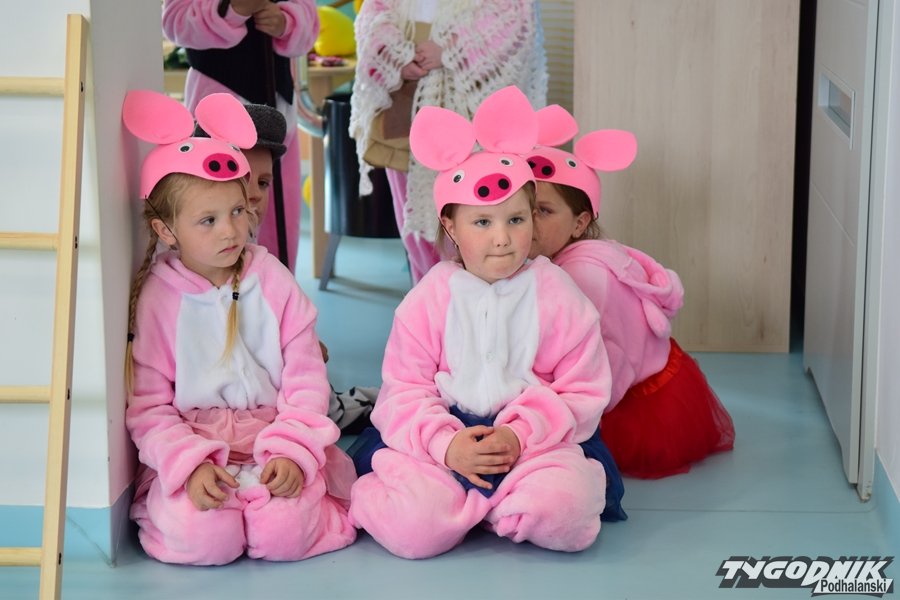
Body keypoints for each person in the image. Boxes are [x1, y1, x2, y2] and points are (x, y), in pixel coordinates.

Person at [348, 87, 624, 560]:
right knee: (413, 530)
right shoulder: (427, 300)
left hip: (535, 442)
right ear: (450, 226)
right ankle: (462, 504)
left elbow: (581, 389)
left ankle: (483, 508)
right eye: (482, 223)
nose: (503, 239)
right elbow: (405, 389)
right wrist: (446, 444)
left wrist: (519, 435)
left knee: (567, 514)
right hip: (443, 440)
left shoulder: (558, 294)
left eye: (516, 220)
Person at [121, 90, 356, 565]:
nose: (230, 231)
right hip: (197, 446)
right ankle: (192, 508)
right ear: (166, 231)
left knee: (283, 536)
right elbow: (149, 406)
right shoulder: (159, 299)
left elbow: (306, 379)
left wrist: (291, 451)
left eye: (236, 211)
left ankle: (295, 504)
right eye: (207, 220)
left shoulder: (272, 279)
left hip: (275, 436)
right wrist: (189, 466)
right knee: (207, 540)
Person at [526, 105, 736, 479]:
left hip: (637, 401)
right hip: (639, 376)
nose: (530, 222)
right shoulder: (567, 259)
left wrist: (568, 411)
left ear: (580, 223)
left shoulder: (583, 276)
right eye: (525, 209)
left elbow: (607, 360)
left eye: (544, 211)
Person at [350, 0, 548, 284]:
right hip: (405, 99)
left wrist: (453, 48)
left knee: (475, 215)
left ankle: (472, 299)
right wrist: (395, 54)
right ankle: (429, 296)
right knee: (413, 222)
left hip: (471, 105)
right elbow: (374, 12)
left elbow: (514, 19)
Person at [162, 0, 320, 273]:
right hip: (217, 108)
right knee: (216, 214)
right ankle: (217, 295)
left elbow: (308, 19)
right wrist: (232, 9)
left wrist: (286, 22)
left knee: (279, 219)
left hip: (279, 110)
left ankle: (276, 293)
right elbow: (175, 21)